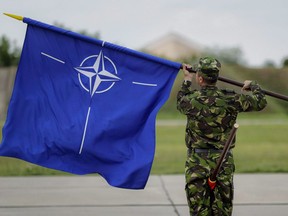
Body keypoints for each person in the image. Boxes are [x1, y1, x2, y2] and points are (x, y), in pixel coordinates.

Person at [177, 57, 267, 216]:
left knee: (198, 210)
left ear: (200, 78)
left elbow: (180, 101)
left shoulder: (190, 100)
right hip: (223, 160)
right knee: (222, 210)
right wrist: (253, 86)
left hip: (196, 162)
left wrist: (186, 80)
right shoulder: (231, 99)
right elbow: (260, 102)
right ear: (216, 77)